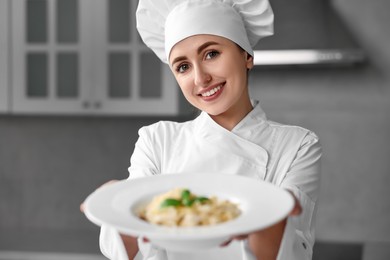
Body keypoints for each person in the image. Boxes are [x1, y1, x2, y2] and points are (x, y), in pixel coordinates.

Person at [85, 0, 322, 259]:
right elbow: (124, 252)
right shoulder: (157, 140)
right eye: (183, 67)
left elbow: (293, 252)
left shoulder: (298, 145)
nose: (200, 79)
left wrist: (269, 225)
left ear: (247, 55)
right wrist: (117, 205)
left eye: (211, 54)